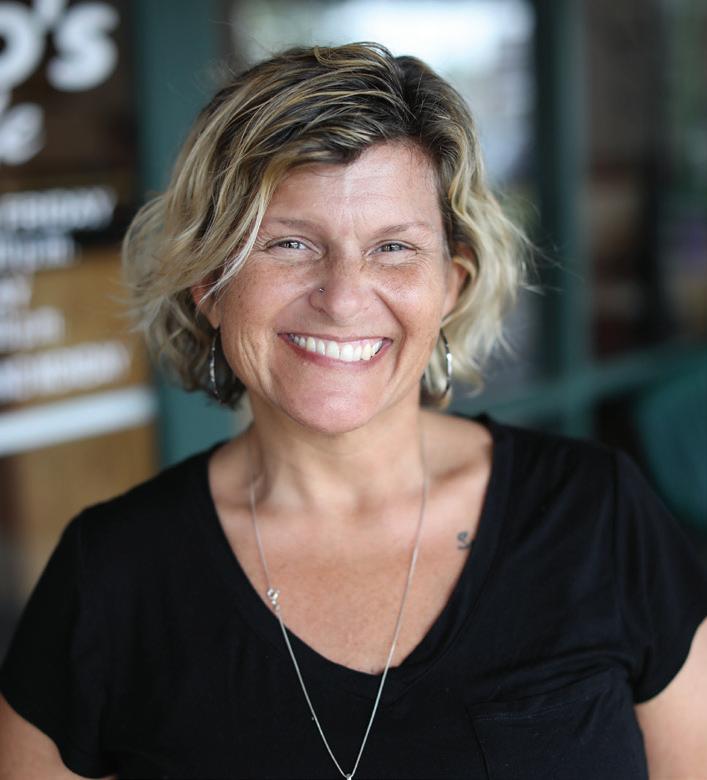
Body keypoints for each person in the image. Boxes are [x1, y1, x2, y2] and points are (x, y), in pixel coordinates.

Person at [1, 42, 706, 780]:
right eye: (290, 243)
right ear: (210, 286)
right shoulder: (110, 575)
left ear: (451, 286)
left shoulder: (595, 513)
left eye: (393, 247)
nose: (341, 298)